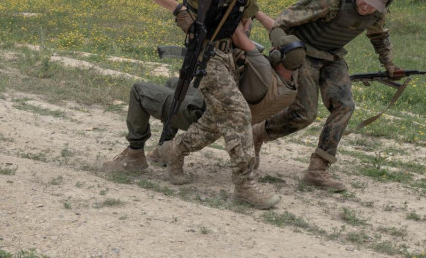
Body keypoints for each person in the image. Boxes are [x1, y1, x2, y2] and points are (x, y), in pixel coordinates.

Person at [138, 0, 281, 209]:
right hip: (205, 57)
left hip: (229, 56)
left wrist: (243, 47)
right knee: (238, 113)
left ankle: (173, 150)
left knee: (214, 122)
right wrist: (178, 10)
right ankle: (245, 185)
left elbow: (245, 19)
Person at [254, 0, 399, 193]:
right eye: (365, 1)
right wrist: (284, 49)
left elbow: (378, 35)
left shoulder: (377, 13)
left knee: (345, 105)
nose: (368, 8)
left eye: (375, 5)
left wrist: (388, 63)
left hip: (331, 56)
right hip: (303, 51)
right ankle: (258, 133)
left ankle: (318, 169)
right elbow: (283, 21)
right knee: (305, 114)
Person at [101, 45, 302, 173]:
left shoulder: (261, 72)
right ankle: (164, 148)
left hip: (201, 112)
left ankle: (134, 154)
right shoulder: (288, 89)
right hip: (221, 113)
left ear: (278, 57)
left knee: (139, 90)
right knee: (173, 83)